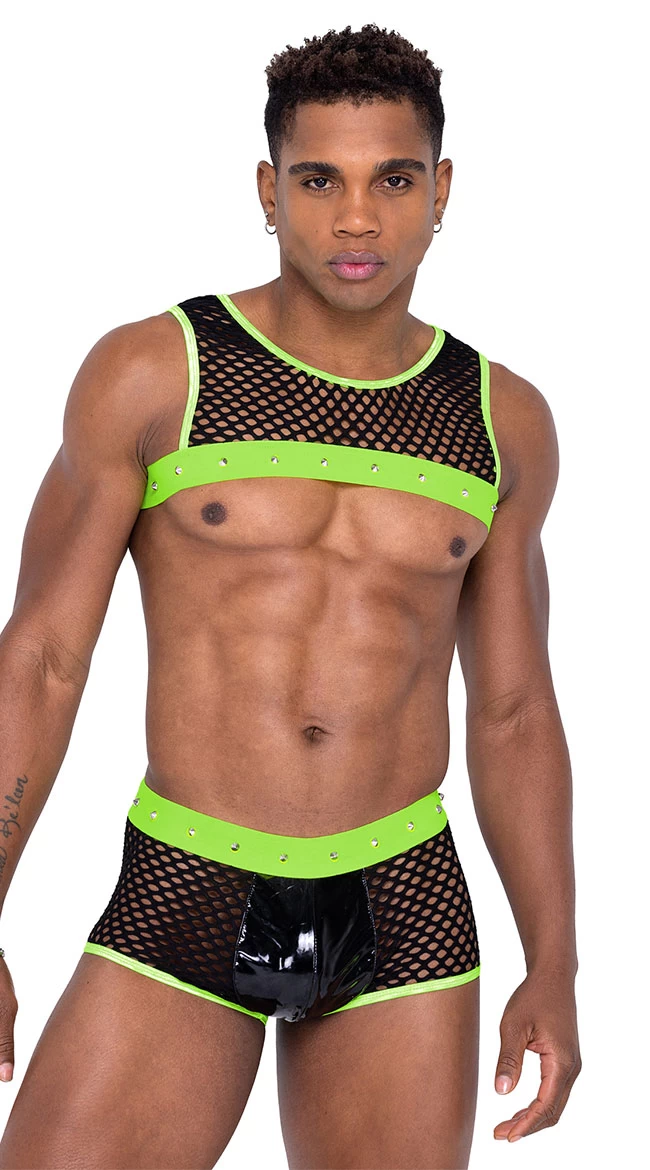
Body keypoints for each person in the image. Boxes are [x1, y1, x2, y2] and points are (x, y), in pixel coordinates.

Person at [0, 21, 581, 1170]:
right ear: (268, 191)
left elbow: (513, 712)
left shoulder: (499, 419)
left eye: (392, 180)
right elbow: (42, 660)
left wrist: (553, 963)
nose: (356, 219)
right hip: (191, 872)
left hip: (401, 893)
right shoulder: (154, 373)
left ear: (441, 191)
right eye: (319, 180)